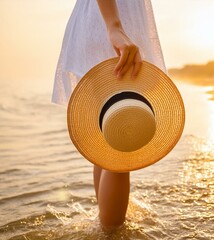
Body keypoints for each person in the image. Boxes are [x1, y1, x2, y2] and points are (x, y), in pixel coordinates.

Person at [51, 0, 167, 230]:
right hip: (111, 24)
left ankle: (104, 226)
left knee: (110, 143)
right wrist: (114, 26)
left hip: (106, 22)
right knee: (120, 150)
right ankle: (112, 233)